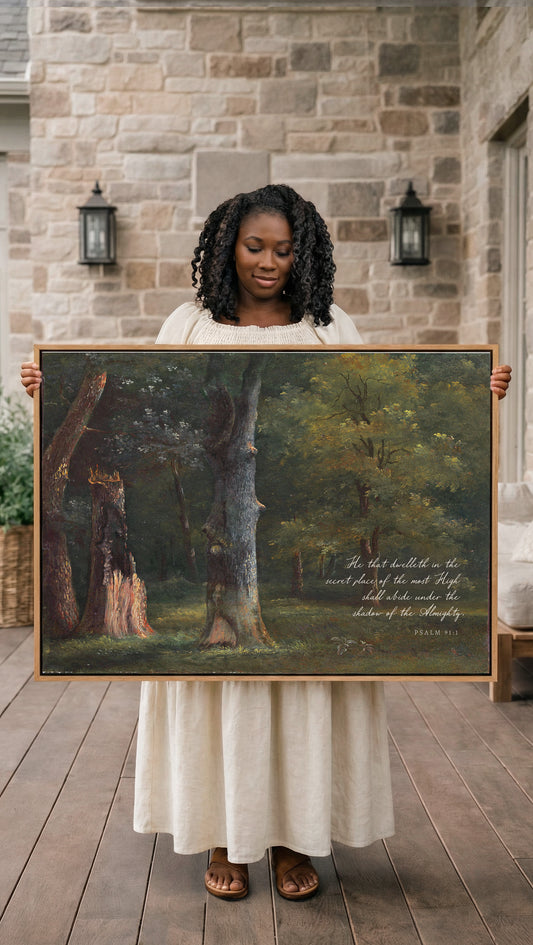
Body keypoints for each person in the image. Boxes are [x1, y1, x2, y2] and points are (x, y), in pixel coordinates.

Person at [22, 184, 512, 902]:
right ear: (227, 246)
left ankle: (291, 839)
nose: (269, 262)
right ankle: (225, 834)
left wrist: (478, 392)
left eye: (284, 249)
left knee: (301, 701)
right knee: (221, 701)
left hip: (276, 547)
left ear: (302, 252)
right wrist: (46, 385)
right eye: (255, 246)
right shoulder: (187, 328)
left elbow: (374, 419)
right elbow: (117, 418)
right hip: (222, 554)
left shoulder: (327, 328)